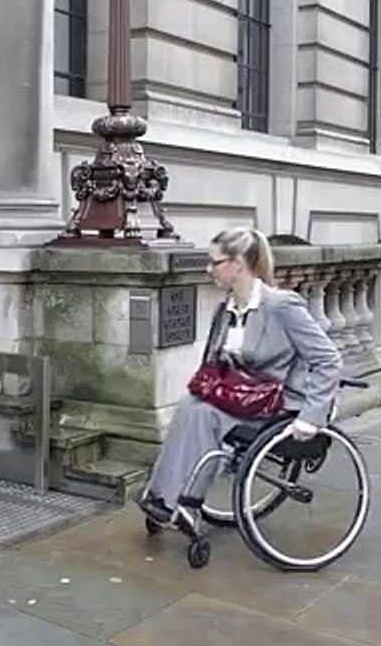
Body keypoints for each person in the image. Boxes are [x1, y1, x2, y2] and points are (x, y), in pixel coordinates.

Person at [139, 226, 343, 527]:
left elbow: (327, 358)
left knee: (204, 415)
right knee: (189, 405)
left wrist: (312, 416)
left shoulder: (281, 306)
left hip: (277, 403)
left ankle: (185, 502)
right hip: (241, 397)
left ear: (237, 264)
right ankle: (162, 495)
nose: (209, 270)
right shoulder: (227, 309)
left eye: (215, 262)